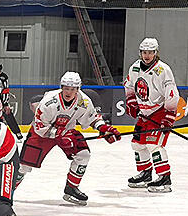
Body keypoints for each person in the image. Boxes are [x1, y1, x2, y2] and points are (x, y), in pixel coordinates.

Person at [17, 72, 121, 205]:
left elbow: (92, 118)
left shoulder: (84, 101)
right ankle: (6, 191)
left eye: (72, 89)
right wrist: (58, 135)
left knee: (83, 154)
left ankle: (71, 187)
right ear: (61, 87)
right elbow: (40, 126)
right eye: (66, 88)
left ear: (78, 89)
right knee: (24, 166)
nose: (69, 92)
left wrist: (104, 128)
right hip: (42, 134)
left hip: (67, 132)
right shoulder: (49, 102)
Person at [123, 37, 180, 192]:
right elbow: (129, 86)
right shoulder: (135, 68)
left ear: (156, 53)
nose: (147, 55)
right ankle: (145, 173)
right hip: (144, 113)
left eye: (150, 52)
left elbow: (172, 94)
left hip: (159, 112)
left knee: (154, 145)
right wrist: (132, 102)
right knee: (137, 144)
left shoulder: (163, 70)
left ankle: (164, 178)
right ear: (140, 53)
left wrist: (169, 117)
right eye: (144, 52)